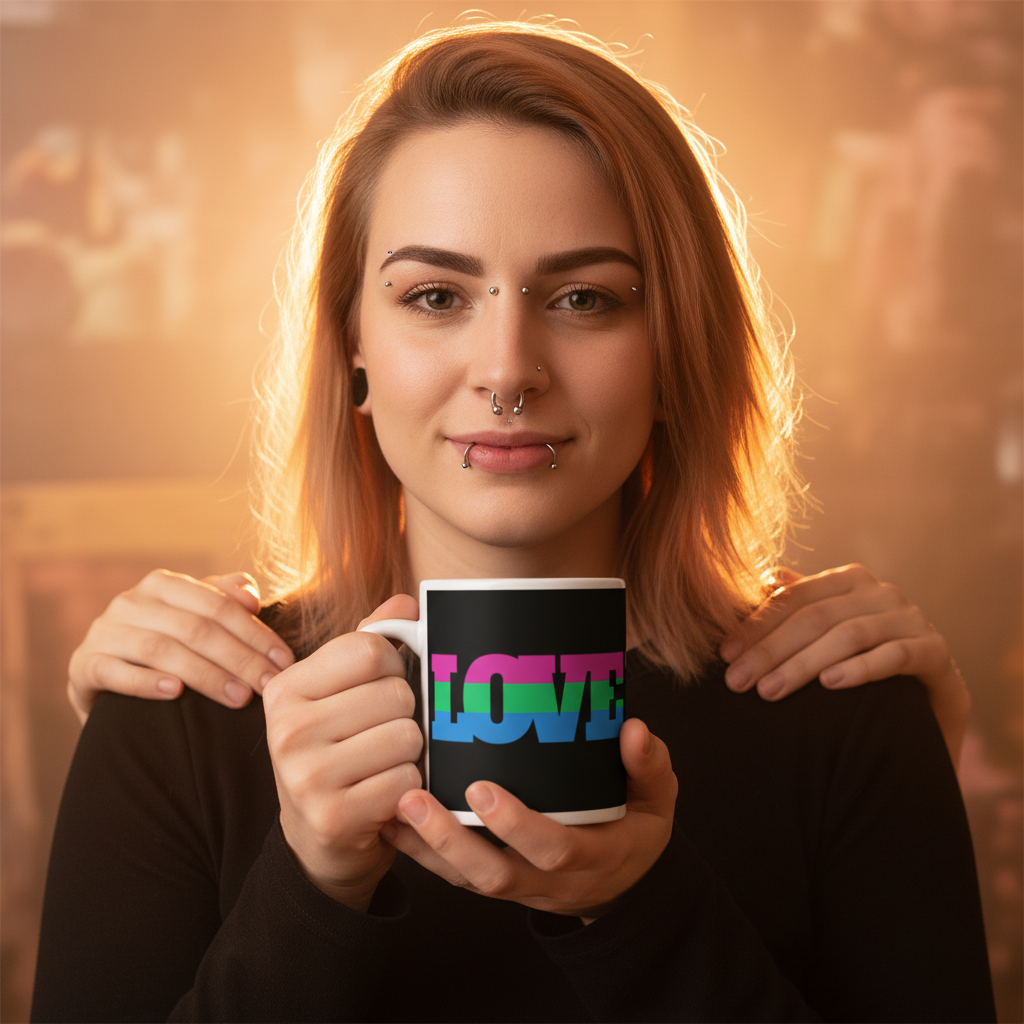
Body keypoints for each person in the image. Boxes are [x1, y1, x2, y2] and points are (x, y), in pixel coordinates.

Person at [32, 22, 993, 1023]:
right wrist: (309, 884)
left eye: (584, 296)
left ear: (677, 351)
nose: (505, 369)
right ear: (351, 344)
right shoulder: (181, 715)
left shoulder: (841, 712)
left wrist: (637, 911)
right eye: (435, 295)